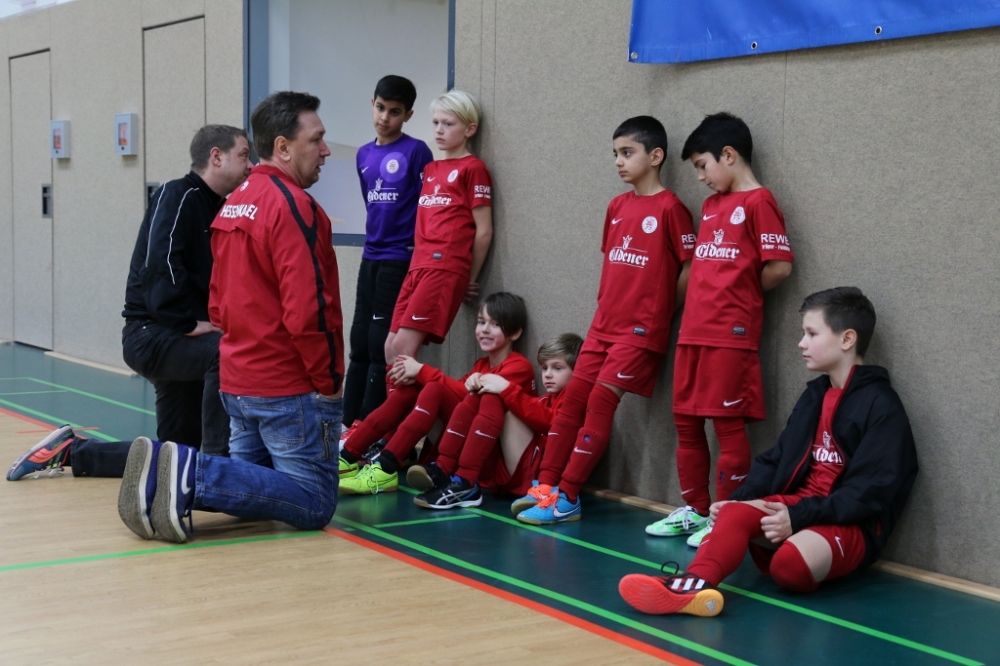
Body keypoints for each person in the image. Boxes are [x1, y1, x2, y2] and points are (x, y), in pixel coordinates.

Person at [117, 91, 345, 543]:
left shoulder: (234, 202)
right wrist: (330, 381)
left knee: (251, 491)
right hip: (286, 387)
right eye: (316, 139)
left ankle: (169, 480)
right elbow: (308, 309)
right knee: (314, 501)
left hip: (238, 386)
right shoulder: (294, 206)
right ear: (283, 147)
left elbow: (218, 301)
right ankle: (192, 473)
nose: (325, 150)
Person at [619, 287, 918, 617]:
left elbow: (870, 493)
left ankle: (800, 548)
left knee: (788, 567)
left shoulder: (881, 406)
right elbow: (776, 458)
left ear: (847, 339)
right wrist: (740, 499)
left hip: (850, 523)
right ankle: (693, 587)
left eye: (812, 333)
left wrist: (799, 517)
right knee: (733, 513)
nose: (801, 343)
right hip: (798, 508)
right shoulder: (814, 396)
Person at [7, 125, 252, 482]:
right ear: (216, 157)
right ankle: (215, 474)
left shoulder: (220, 209)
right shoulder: (177, 194)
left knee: (175, 455)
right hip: (152, 335)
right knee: (226, 353)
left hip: (181, 340)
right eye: (244, 155)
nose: (250, 165)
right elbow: (160, 264)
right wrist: (185, 322)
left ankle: (73, 451)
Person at [513, 115, 695, 525]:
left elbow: (689, 266)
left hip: (639, 332)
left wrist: (662, 311)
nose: (618, 161)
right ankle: (546, 486)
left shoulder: (671, 209)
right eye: (615, 153)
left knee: (599, 403)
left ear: (656, 156)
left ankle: (569, 497)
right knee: (571, 402)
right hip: (602, 326)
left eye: (627, 152)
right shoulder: (616, 206)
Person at [645, 112, 794, 547]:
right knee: (686, 423)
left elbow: (779, 267)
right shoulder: (711, 207)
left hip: (729, 336)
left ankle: (724, 517)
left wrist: (738, 296)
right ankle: (695, 510)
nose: (700, 177)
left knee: (727, 427)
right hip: (692, 332)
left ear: (728, 155)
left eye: (702, 165)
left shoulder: (760, 202)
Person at [338, 292, 534, 495]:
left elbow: (469, 398)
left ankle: (386, 467)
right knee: (412, 390)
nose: (484, 329)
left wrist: (422, 371)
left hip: (488, 460)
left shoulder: (519, 366)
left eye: (495, 324)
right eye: (481, 322)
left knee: (434, 388)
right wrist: (417, 377)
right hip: (466, 446)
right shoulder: (482, 364)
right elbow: (460, 396)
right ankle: (348, 456)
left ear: (515, 333)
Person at [341, 75, 433, 438]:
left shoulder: (417, 151)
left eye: (395, 112)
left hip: (400, 257)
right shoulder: (363, 154)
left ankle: (368, 429)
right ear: (372, 104)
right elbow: (371, 204)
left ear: (407, 115)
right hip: (371, 256)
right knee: (359, 342)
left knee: (381, 345)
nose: (385, 118)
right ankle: (346, 423)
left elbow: (426, 209)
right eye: (380, 108)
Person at [408, 332, 583, 509]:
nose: (548, 374)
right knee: (483, 393)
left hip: (539, 480)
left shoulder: (575, 403)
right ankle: (449, 472)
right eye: (544, 368)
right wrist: (479, 382)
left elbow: (552, 422)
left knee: (497, 395)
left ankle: (464, 480)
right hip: (512, 471)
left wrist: (506, 388)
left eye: (557, 368)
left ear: (577, 372)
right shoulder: (545, 400)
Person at [381, 89, 493, 365]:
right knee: (390, 347)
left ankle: (418, 395)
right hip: (417, 266)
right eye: (435, 122)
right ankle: (407, 395)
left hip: (443, 266)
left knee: (403, 348)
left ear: (470, 129)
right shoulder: (430, 169)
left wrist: (469, 278)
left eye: (448, 124)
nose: (439, 130)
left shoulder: (473, 168)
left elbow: (484, 231)